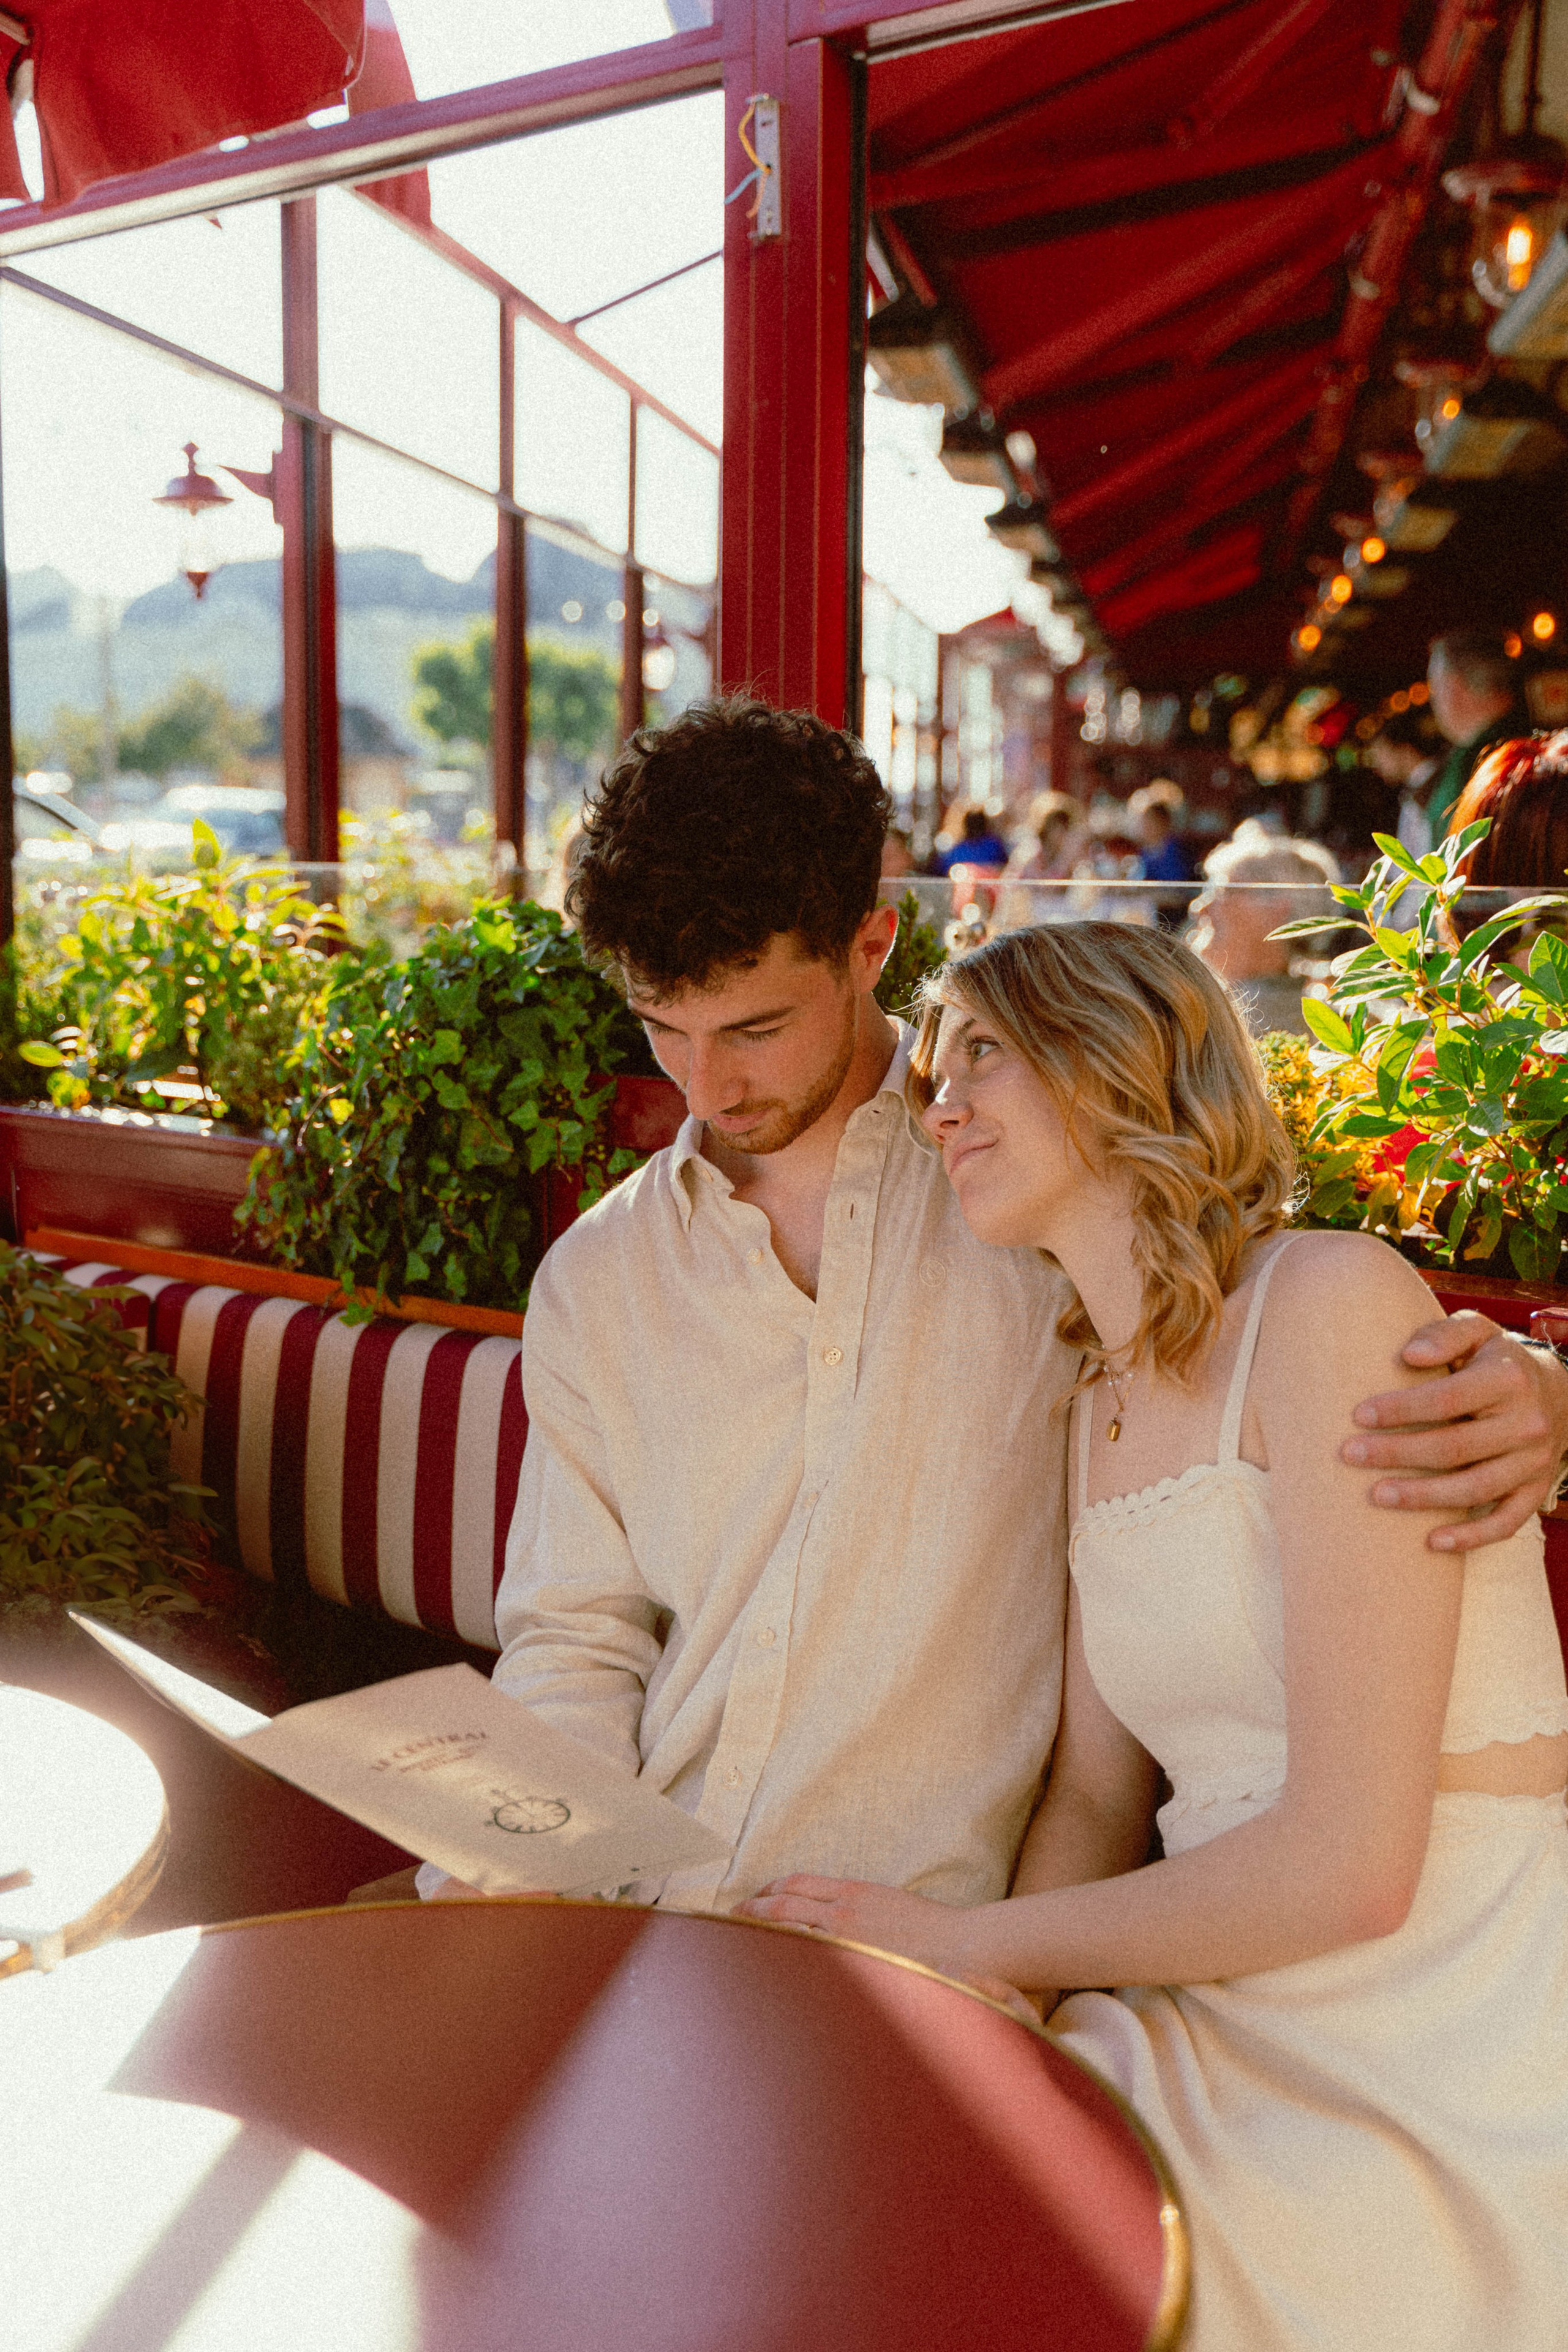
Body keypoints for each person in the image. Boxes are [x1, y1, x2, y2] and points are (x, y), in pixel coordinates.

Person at [423, 697, 1568, 1921]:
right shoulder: (600, 1277)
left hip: (937, 1937)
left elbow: (1270, 1313)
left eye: (753, 1028)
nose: (705, 1086)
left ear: (870, 946)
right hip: (652, 1916)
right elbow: (575, 1639)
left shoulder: (1042, 1170)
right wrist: (523, 1870)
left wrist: (1540, 1389)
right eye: (660, 1029)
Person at [742, 921, 1568, 2350]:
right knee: (920, 2173)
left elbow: (1352, 1864)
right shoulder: (1092, 1404)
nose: (938, 1102)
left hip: (1437, 2019)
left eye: (981, 1052)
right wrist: (1007, 2009)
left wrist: (963, 1939)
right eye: (934, 1068)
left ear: (1117, 1054)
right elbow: (1093, 1791)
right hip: (1219, 1991)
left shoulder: (1326, 1301)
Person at [1186, 823, 1340, 1035]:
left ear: (1278, 909)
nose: (1199, 908)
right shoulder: (1210, 1005)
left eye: (1222, 891)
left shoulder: (1275, 1019)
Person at [1425, 630, 1528, 842]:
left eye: (1433, 687)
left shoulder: (1477, 763)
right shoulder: (1541, 743)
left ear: (1453, 686)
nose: (1432, 702)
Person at [1365, 708, 1442, 861]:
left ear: (1404, 748)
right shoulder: (1415, 790)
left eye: (1380, 752)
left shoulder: (1433, 787)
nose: (1377, 764)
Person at [1128, 778, 1196, 885]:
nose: (1144, 826)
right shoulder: (1145, 852)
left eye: (1150, 821)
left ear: (1163, 822)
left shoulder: (1175, 851)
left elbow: (1175, 888)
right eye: (1142, 821)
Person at [933, 802, 1009, 876]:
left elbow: (1003, 868)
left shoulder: (994, 845)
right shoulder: (958, 849)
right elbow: (944, 871)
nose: (974, 827)